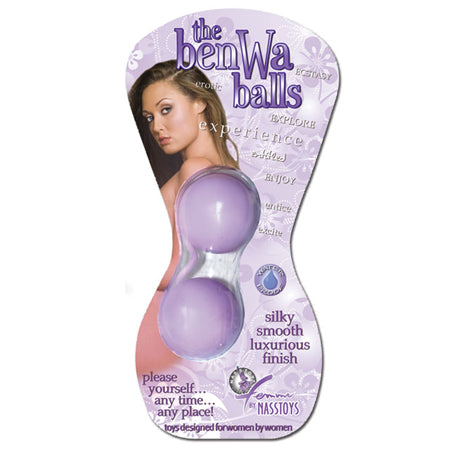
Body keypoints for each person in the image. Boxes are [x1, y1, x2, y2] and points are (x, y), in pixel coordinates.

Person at [129, 60, 239, 373]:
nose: (156, 127)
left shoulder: (195, 171)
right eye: (149, 117)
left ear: (199, 103)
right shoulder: (229, 170)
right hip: (173, 335)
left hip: (157, 328)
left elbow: (180, 267)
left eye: (166, 110)